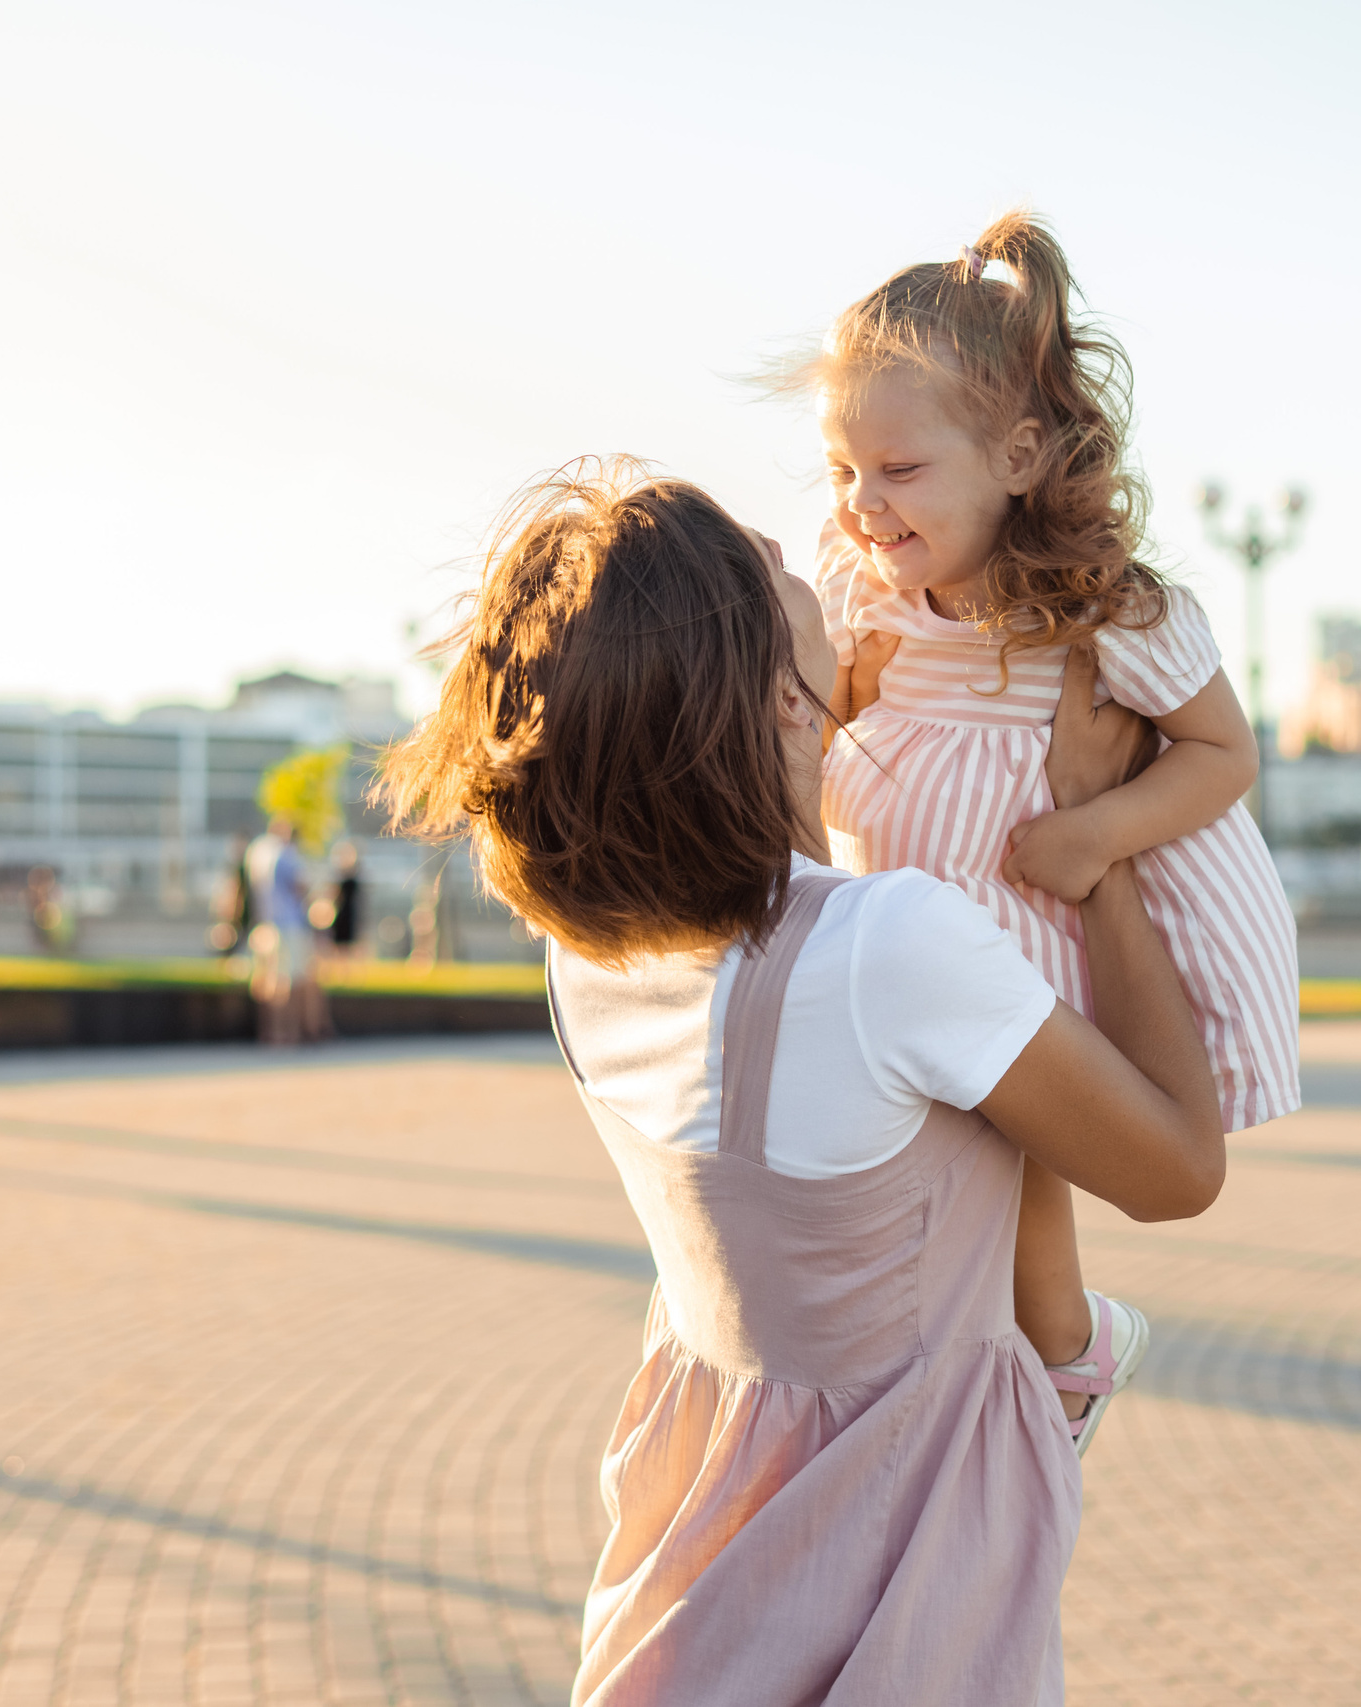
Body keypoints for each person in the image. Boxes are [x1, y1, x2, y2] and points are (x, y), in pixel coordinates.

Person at [375, 465, 1225, 1705]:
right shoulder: (895, 950)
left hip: (691, 1587)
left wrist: (829, 732)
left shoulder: (591, 954)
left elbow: (778, 920)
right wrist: (1097, 837)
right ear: (775, 698)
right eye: (777, 569)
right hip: (899, 1584)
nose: (821, 543)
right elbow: (1179, 1168)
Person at [783, 211, 1299, 1443]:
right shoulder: (862, 586)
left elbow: (1225, 754)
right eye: (843, 470)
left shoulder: (1101, 611)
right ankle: (991, 1362)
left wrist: (1098, 834)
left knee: (1016, 1156)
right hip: (908, 899)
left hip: (1029, 917)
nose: (863, 504)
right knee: (931, 1161)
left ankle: (1064, 1354)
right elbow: (824, 716)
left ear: (1018, 456)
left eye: (900, 472)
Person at [243, 819, 321, 1044]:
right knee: (289, 981)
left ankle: (268, 1032)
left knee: (267, 979)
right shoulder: (285, 855)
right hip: (288, 925)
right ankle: (287, 1034)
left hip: (264, 923)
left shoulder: (257, 852)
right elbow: (302, 888)